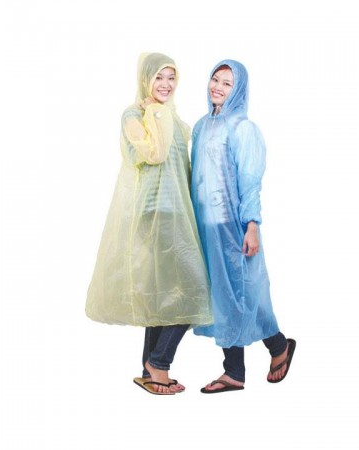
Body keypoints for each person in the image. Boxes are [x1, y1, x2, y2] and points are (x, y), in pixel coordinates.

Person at [86, 52, 212, 395]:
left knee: (164, 294)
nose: (166, 85)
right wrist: (155, 112)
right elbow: (154, 153)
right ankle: (159, 364)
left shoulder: (170, 114)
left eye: (172, 78)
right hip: (154, 215)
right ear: (145, 79)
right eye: (159, 77)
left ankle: (149, 367)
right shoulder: (135, 114)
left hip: (176, 215)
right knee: (195, 289)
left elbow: (184, 163)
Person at [190, 59, 296, 393]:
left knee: (243, 292)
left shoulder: (243, 128)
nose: (218, 87)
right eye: (215, 79)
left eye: (227, 83)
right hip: (205, 226)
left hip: (232, 225)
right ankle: (266, 354)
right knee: (222, 296)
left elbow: (250, 183)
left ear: (239, 90)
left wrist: (252, 225)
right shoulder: (200, 126)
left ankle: (246, 364)